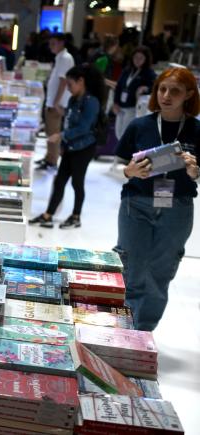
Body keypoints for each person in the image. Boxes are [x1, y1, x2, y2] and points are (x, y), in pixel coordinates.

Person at [115, 67, 199, 331]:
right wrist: (129, 171)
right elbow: (119, 167)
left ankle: (142, 334)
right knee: (131, 268)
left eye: (175, 90)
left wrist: (195, 172)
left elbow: (198, 174)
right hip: (136, 204)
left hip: (178, 208)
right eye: (162, 89)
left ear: (189, 94)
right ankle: (122, 330)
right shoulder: (140, 125)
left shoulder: (196, 130)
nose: (166, 95)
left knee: (160, 273)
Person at [30, 66, 105, 229]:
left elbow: (84, 128)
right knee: (59, 181)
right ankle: (48, 215)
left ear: (81, 81)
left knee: (77, 182)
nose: (68, 89)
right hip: (71, 147)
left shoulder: (91, 102)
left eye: (70, 85)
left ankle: (76, 216)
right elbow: (68, 122)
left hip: (84, 148)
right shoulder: (73, 100)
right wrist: (64, 144)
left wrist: (61, 136)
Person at [39, 33, 75, 170]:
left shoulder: (65, 58)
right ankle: (49, 157)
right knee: (50, 131)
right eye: (50, 43)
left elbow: (63, 81)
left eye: (53, 43)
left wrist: (56, 102)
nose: (51, 46)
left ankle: (52, 161)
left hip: (56, 102)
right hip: (53, 101)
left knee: (53, 132)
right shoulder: (60, 57)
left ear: (61, 43)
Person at [113, 46, 156, 140]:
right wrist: (115, 102)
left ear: (146, 59)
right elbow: (119, 87)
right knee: (118, 133)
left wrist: (146, 89)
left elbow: (155, 86)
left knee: (125, 134)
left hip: (133, 108)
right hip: (120, 106)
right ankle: (121, 152)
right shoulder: (127, 70)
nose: (137, 60)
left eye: (141, 58)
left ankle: (124, 153)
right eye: (136, 57)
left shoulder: (148, 73)